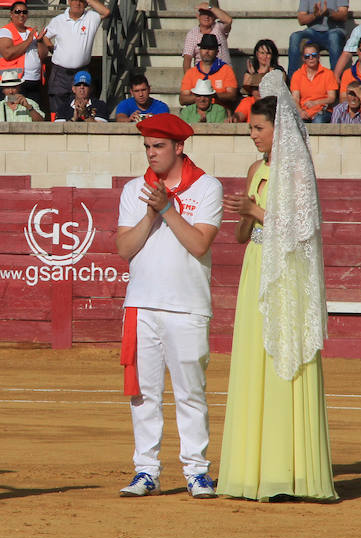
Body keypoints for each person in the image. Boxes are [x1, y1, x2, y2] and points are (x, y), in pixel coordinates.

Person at [218, 71, 338, 503]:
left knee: (282, 361)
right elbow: (238, 237)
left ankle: (285, 472)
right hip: (257, 268)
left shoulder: (298, 172)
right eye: (251, 128)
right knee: (254, 362)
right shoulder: (255, 169)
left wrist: (256, 209)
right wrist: (246, 213)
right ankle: (255, 471)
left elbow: (304, 230)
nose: (252, 136)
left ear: (278, 128)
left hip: (287, 275)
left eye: (258, 128)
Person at [116, 113, 222, 500]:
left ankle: (196, 471)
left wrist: (167, 210)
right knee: (142, 394)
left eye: (158, 146)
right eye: (146, 147)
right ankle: (147, 470)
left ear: (179, 147)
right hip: (142, 306)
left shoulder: (208, 187)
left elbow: (199, 245)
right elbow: (124, 249)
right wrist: (150, 213)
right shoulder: (135, 190)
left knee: (190, 393)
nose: (151, 154)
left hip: (188, 307)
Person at [41, 0, 111, 117]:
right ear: (69, 1)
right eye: (74, 0)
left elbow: (106, 12)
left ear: (86, 4)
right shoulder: (58, 20)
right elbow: (45, 36)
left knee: (83, 102)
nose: (77, 3)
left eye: (81, 1)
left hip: (81, 71)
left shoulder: (91, 17)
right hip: (60, 72)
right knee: (57, 104)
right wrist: (53, 50)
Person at [0, 1, 47, 107]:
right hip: (12, 85)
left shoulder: (32, 31)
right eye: (17, 12)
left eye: (24, 12)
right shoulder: (5, 31)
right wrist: (28, 40)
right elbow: (8, 54)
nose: (21, 14)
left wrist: (40, 41)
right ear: (11, 14)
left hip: (33, 82)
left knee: (33, 110)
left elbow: (43, 55)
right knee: (13, 110)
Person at [288, 1, 349, 80]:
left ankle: (335, 81)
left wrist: (329, 13)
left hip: (334, 30)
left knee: (334, 37)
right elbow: (301, 19)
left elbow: (343, 15)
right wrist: (314, 15)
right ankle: (292, 80)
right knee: (295, 37)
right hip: (312, 33)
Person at [179, 33, 238, 107]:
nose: (207, 51)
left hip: (219, 112)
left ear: (217, 52)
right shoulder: (191, 72)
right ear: (199, 50)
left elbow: (232, 96)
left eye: (211, 48)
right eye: (204, 48)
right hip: (197, 113)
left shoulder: (226, 70)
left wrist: (212, 95)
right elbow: (183, 99)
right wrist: (202, 96)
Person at [290, 43, 338, 123]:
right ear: (303, 58)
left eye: (314, 55)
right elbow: (295, 98)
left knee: (318, 120)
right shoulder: (297, 75)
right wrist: (300, 111)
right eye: (307, 56)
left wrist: (315, 103)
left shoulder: (328, 73)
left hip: (323, 111)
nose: (311, 58)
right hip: (304, 111)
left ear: (319, 56)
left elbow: (332, 98)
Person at [182, 3, 232, 72]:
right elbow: (187, 60)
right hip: (202, 75)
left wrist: (210, 7)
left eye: (209, 14)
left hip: (224, 73)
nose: (206, 17)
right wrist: (189, 80)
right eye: (203, 14)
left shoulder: (219, 27)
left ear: (214, 17)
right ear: (198, 16)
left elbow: (228, 20)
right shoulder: (192, 34)